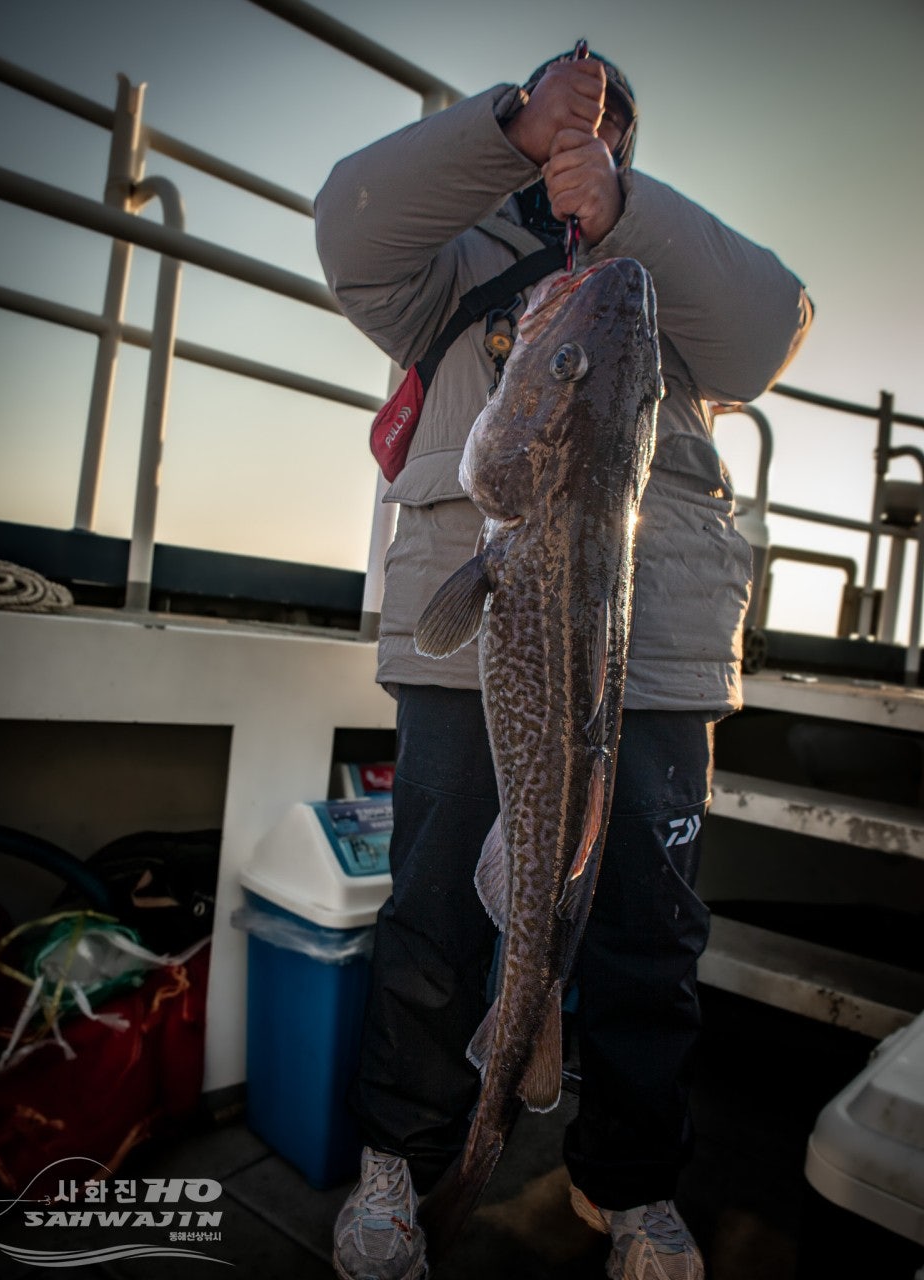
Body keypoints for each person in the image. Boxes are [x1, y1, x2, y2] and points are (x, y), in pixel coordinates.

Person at [315, 47, 812, 1280]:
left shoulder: (660, 281)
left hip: (663, 652)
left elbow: (769, 327)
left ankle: (630, 1183)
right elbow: (347, 225)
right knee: (435, 907)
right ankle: (398, 1160)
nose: (576, 133)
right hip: (477, 635)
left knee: (651, 929)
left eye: (601, 127)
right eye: (551, 117)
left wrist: (628, 214)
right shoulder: (448, 262)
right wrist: (503, 131)